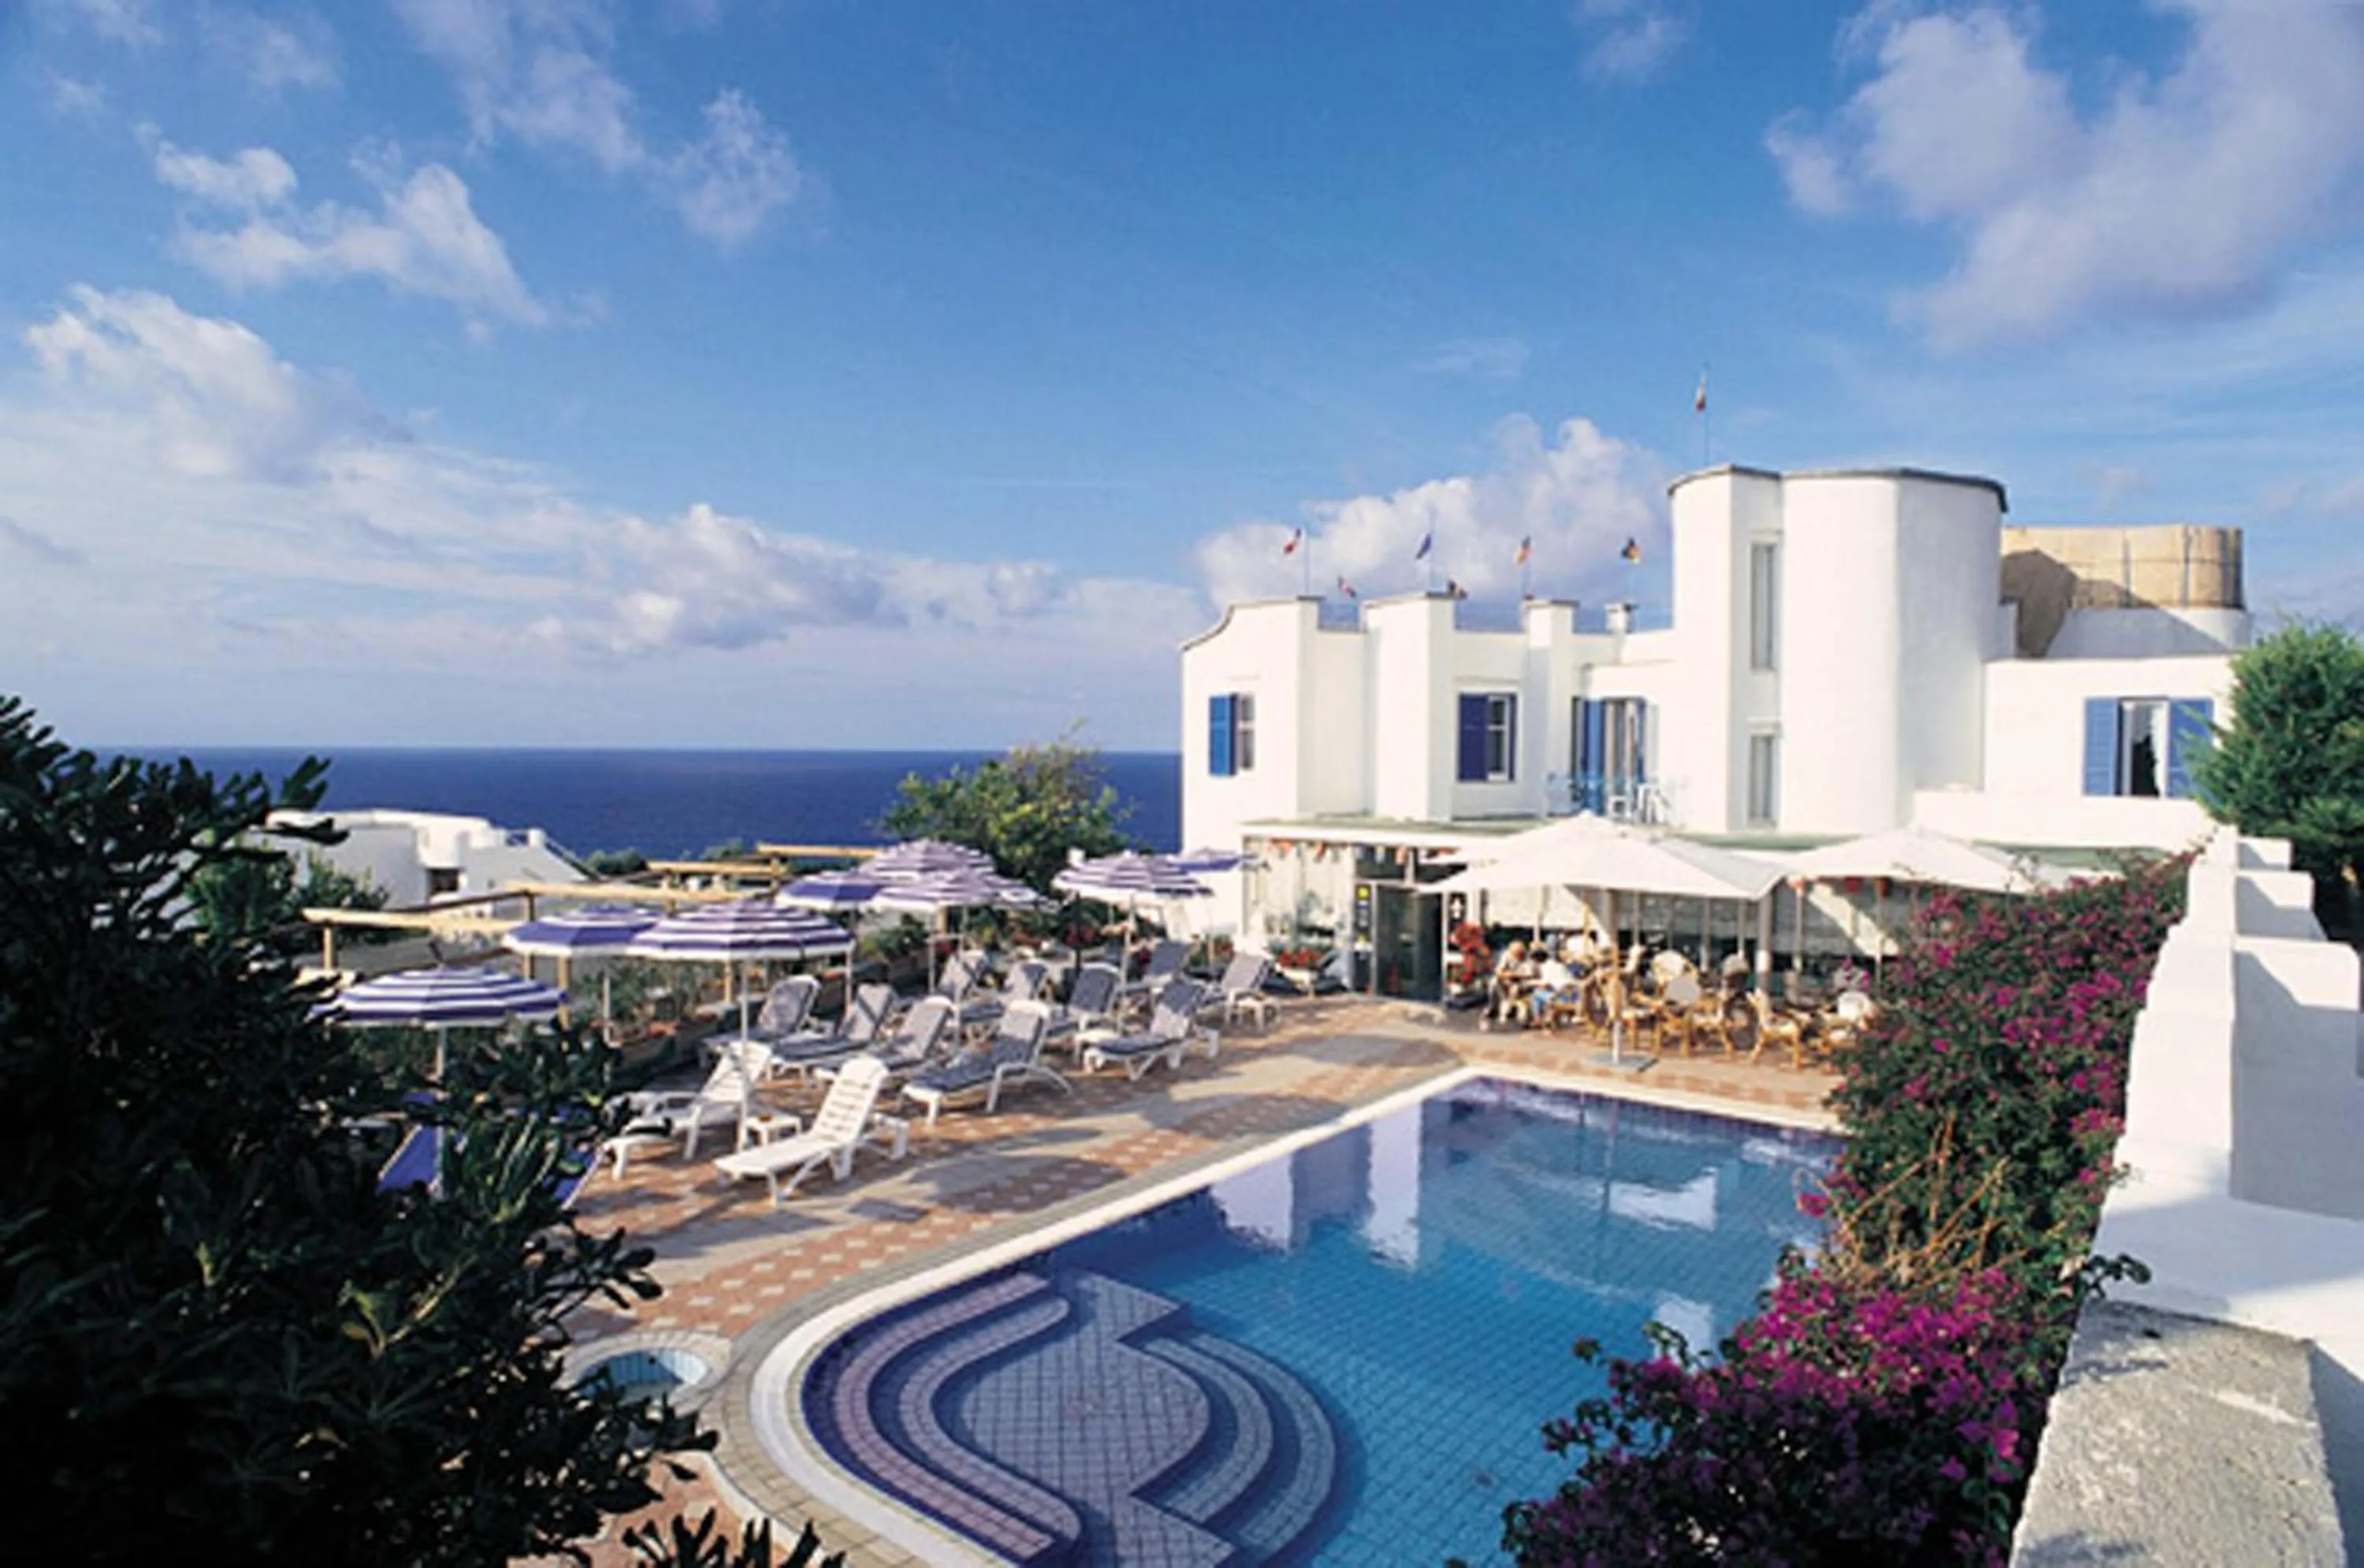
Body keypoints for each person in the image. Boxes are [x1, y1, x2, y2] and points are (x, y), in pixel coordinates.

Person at [1489, 941, 1536, 1027]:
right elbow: (1499, 971)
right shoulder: (1507, 955)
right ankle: (1493, 1007)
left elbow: (1529, 974)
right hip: (1508, 980)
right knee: (1494, 982)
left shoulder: (1528, 958)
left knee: (1515, 988)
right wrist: (1507, 975)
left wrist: (1511, 974)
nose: (1515, 957)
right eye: (1514, 954)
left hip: (1523, 982)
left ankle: (1508, 1011)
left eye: (1517, 954)